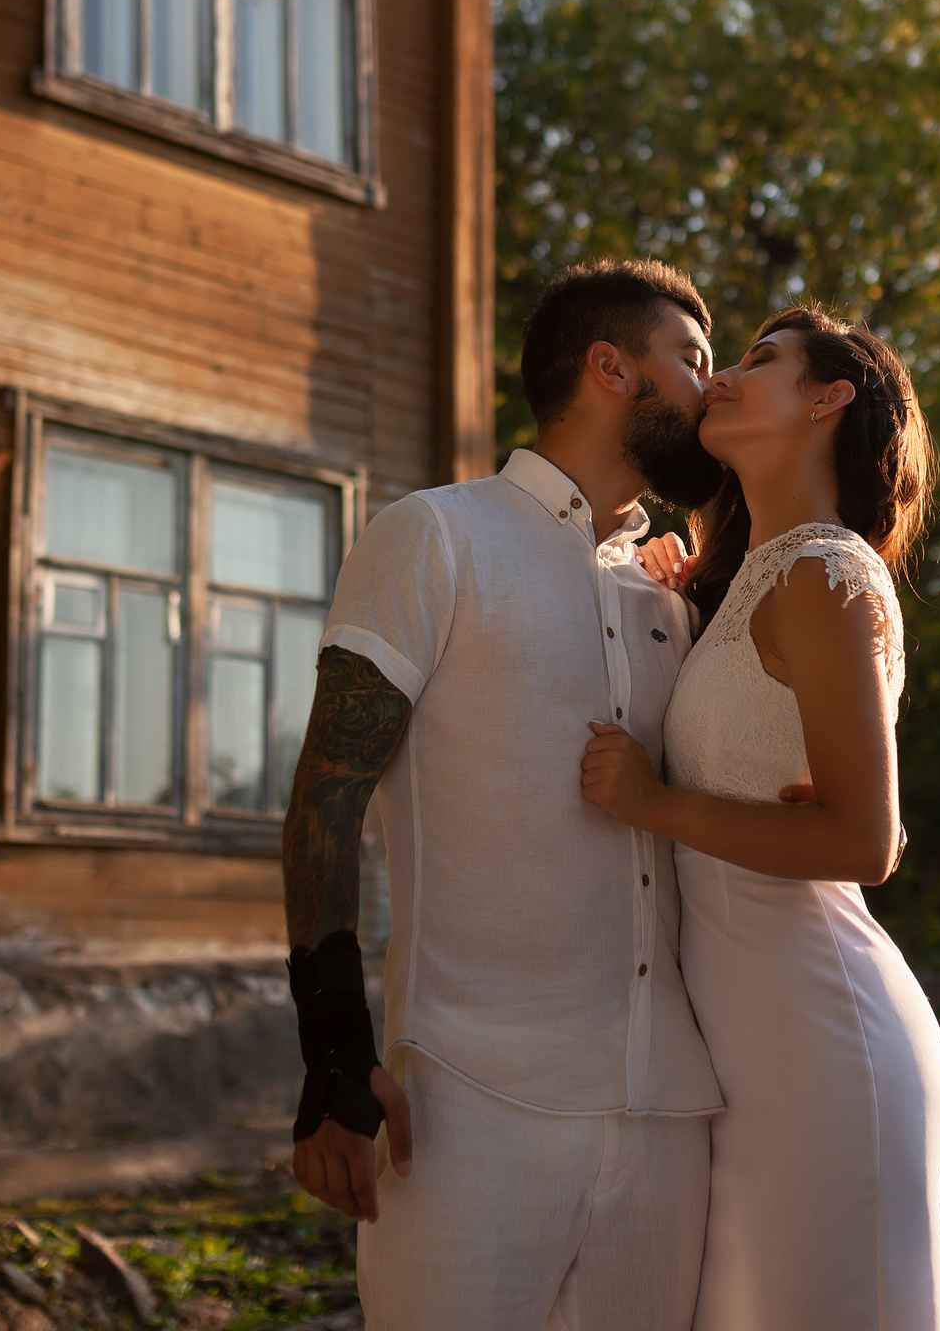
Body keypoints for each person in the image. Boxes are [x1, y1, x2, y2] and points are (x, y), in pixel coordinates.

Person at [278, 260, 739, 1331]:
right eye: (695, 361)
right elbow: (324, 799)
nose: (711, 392)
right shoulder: (434, 535)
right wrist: (333, 1053)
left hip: (666, 1110)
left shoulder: (666, 595)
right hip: (466, 1107)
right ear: (609, 368)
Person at [580, 304, 940, 1331]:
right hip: (748, 1054)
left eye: (761, 359)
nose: (726, 378)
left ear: (830, 396)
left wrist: (653, 802)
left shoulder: (828, 573)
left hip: (820, 1037)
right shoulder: (751, 576)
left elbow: (863, 843)